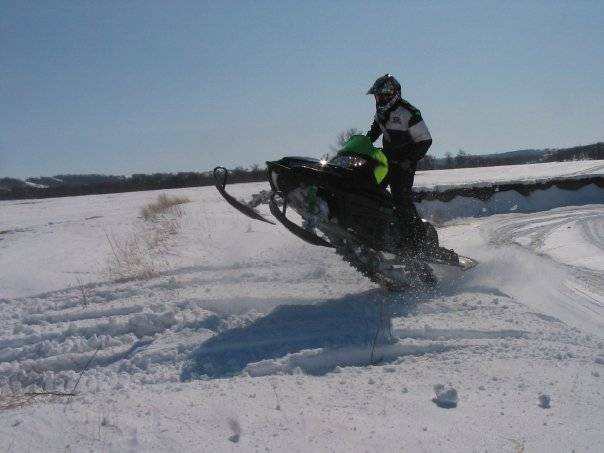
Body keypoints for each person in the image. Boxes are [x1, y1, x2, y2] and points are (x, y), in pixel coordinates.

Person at [366, 74, 432, 247]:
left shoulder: (409, 112)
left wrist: (409, 160)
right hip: (386, 159)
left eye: (381, 96)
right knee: (369, 187)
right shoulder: (381, 112)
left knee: (401, 198)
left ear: (391, 95)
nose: (378, 99)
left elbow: (425, 141)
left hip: (404, 163)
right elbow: (374, 131)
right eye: (376, 96)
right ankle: (372, 226)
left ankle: (416, 240)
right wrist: (363, 143)